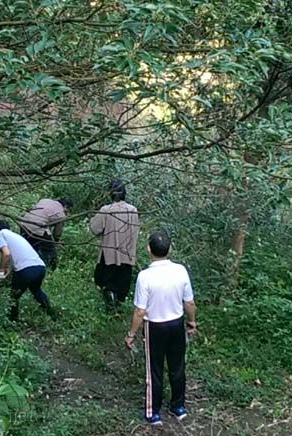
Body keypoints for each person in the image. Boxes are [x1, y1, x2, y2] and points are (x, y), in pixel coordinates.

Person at [124, 230, 197, 426]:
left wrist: (131, 334)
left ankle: (153, 412)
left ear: (149, 249)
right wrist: (191, 322)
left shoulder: (145, 276)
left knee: (154, 369)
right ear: (170, 248)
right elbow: (189, 302)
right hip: (176, 324)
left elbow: (140, 311)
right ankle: (178, 407)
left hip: (154, 327)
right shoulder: (180, 270)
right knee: (177, 366)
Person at [0, 220, 56, 321]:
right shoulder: (15, 236)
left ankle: (12, 321)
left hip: (26, 269)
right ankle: (52, 315)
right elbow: (12, 264)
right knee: (36, 290)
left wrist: (1, 271)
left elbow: (6, 254)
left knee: (13, 296)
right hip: (40, 267)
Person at [89, 179, 139, 306]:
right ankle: (118, 307)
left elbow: (95, 228)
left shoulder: (106, 210)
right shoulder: (133, 210)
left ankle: (110, 303)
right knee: (122, 286)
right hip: (127, 255)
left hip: (108, 255)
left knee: (105, 282)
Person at [18, 198, 73, 270]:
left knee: (27, 247)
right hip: (37, 228)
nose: (67, 212)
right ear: (65, 206)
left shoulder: (44, 200)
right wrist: (56, 240)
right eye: (68, 209)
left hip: (24, 224)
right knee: (50, 250)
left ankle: (23, 264)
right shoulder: (61, 214)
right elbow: (57, 232)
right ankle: (52, 268)